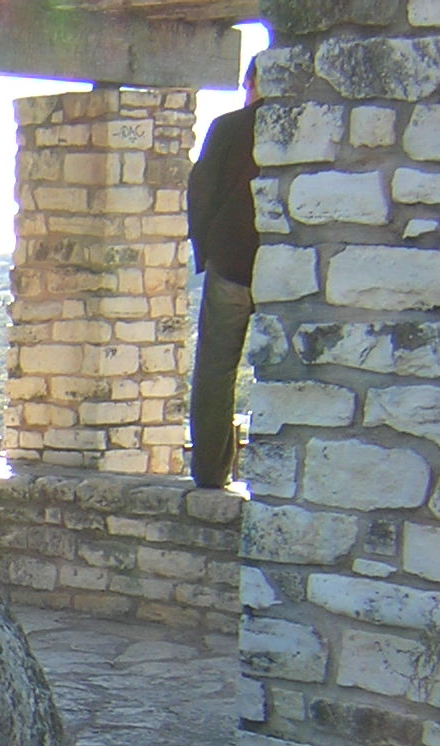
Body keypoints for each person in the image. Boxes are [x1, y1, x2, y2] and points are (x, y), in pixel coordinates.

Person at [186, 58, 262, 489]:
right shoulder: (300, 127)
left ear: (250, 81)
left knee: (216, 369)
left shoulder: (229, 127)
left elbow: (201, 192)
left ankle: (211, 472)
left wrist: (206, 251)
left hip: (231, 264)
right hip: (280, 265)